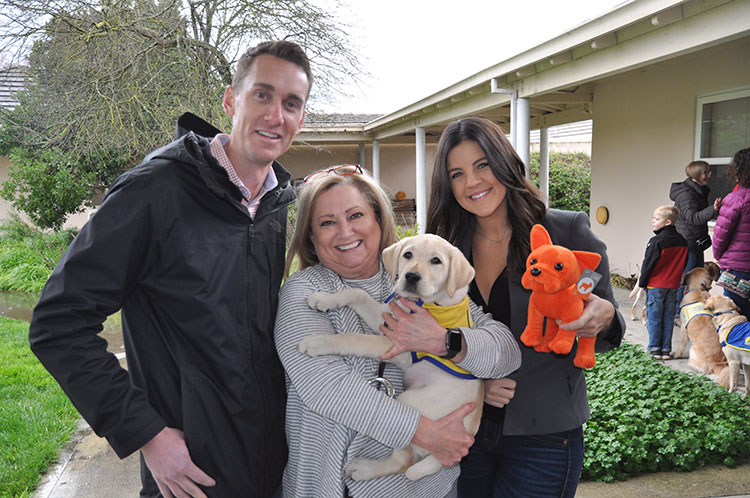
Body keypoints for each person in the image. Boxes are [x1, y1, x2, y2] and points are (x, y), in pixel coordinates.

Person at [28, 40, 312, 498]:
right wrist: (147, 435)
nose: (276, 115)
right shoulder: (156, 190)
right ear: (230, 99)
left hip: (271, 470)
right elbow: (58, 323)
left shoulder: (276, 204)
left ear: (301, 118)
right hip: (189, 476)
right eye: (262, 94)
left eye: (291, 103)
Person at [274, 165, 522, 498]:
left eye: (356, 215)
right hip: (332, 485)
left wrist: (448, 346)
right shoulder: (303, 290)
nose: (345, 232)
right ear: (311, 237)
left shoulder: (429, 287)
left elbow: (505, 351)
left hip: (423, 488)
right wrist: (428, 433)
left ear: (379, 221)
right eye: (327, 222)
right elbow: (328, 388)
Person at [425, 116, 625, 498]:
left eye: (482, 165)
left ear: (504, 163)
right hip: (463, 430)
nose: (473, 183)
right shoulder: (444, 248)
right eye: (457, 174)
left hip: (544, 437)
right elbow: (431, 337)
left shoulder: (565, 232)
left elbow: (607, 331)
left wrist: (604, 318)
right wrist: (476, 380)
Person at [637, 205, 688, 359]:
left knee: (654, 317)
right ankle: (666, 350)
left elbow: (648, 264)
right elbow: (683, 263)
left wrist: (642, 283)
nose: (653, 221)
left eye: (656, 219)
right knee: (668, 318)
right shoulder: (683, 241)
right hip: (673, 286)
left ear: (668, 222)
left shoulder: (656, 241)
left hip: (656, 285)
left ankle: (654, 349)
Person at [670, 160, 722, 311]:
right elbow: (693, 218)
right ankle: (678, 311)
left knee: (695, 277)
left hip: (695, 241)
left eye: (708, 172)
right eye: (705, 173)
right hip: (688, 242)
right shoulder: (687, 194)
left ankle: (689, 307)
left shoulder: (698, 190)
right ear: (696, 174)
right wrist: (713, 209)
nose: (708, 176)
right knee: (686, 278)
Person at [712, 147, 750, 318]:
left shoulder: (735, 199)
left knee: (737, 315)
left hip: (738, 269)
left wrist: (718, 255)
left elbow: (721, 235)